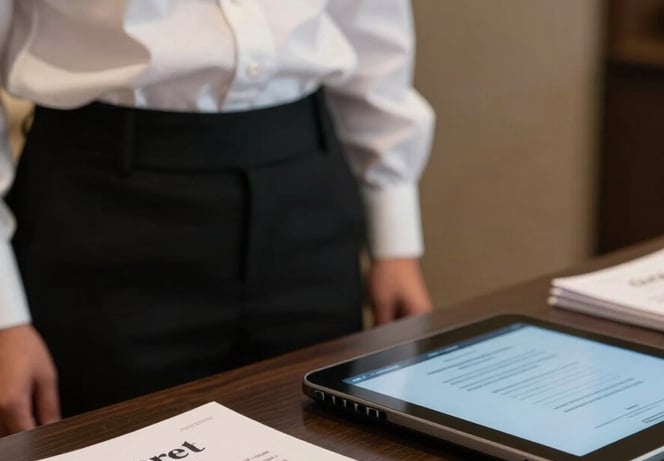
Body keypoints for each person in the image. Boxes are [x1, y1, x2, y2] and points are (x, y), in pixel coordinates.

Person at [0, 2, 434, 437]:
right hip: (102, 204)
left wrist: (394, 240)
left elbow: (370, 32)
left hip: (308, 196)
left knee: (326, 447)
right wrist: (5, 316)